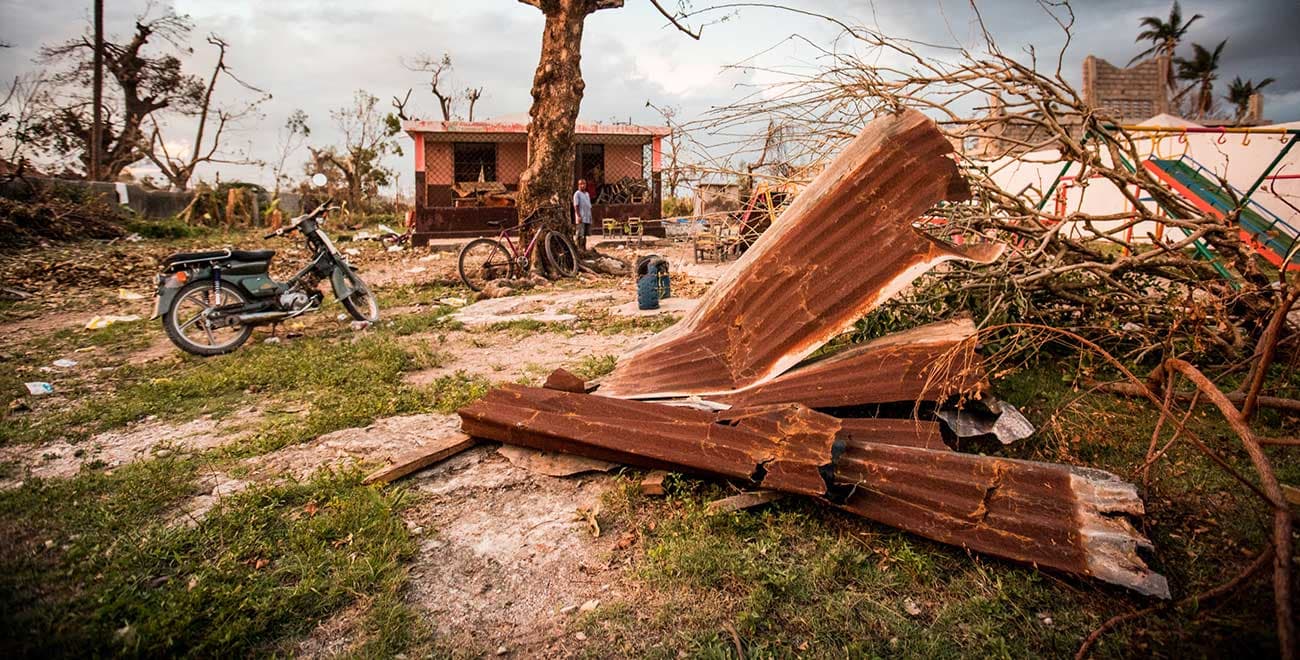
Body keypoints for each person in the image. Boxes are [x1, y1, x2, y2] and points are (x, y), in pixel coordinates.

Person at [572, 178, 592, 251]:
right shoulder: (577, 194)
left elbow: (589, 206)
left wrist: (590, 217)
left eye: (584, 184)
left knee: (585, 235)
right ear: (578, 185)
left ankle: (584, 248)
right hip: (581, 217)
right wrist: (578, 216)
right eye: (581, 184)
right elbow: (576, 205)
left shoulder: (587, 194)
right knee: (580, 234)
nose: (583, 185)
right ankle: (579, 249)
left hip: (587, 217)